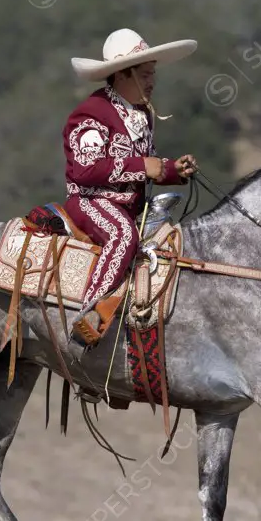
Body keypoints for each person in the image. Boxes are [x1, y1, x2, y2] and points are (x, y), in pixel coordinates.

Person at [63, 28, 198, 347]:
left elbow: (145, 166)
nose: (152, 82)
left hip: (130, 205)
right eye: (146, 74)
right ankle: (91, 312)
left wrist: (172, 170)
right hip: (89, 201)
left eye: (153, 74)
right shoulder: (90, 113)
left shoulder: (141, 115)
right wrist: (144, 167)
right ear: (123, 74)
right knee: (123, 235)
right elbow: (85, 169)